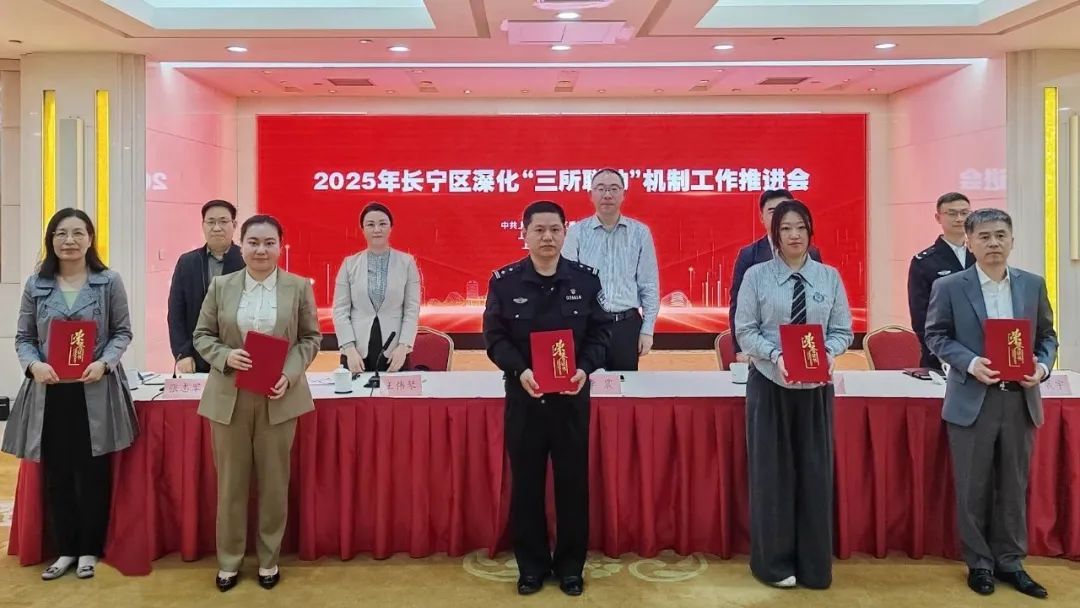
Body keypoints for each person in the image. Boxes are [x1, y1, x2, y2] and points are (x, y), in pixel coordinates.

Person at [925, 208, 1057, 599]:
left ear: (1012, 240)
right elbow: (936, 335)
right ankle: (979, 563)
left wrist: (1041, 368)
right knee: (973, 487)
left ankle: (1011, 562)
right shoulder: (950, 286)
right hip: (973, 399)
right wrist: (969, 363)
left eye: (1000, 235)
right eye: (984, 236)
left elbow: (1047, 337)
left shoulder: (1032, 285)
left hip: (1019, 400)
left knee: (1014, 486)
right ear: (969, 242)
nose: (993, 243)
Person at [483, 200, 612, 596]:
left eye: (555, 229)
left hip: (571, 400)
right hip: (525, 399)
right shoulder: (504, 283)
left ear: (565, 232)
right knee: (526, 486)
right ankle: (532, 567)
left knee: (573, 486)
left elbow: (601, 334)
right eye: (539, 230)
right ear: (524, 234)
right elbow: (495, 338)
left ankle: (571, 568)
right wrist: (519, 370)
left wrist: (584, 369)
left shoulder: (585, 281)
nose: (547, 237)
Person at [2, 208, 138, 581]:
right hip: (49, 391)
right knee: (57, 473)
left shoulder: (108, 282)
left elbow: (122, 332)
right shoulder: (36, 284)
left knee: (93, 472)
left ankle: (90, 549)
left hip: (95, 389)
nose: (70, 241)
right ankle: (65, 549)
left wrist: (105, 363)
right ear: (51, 240)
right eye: (61, 233)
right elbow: (24, 338)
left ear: (90, 239)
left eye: (78, 233)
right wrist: (33, 365)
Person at [193, 214, 321, 592]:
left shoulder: (298, 287)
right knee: (231, 484)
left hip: (278, 396)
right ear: (242, 244)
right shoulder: (221, 286)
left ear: (280, 246)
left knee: (274, 483)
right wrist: (225, 356)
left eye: (269, 243)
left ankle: (269, 559)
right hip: (229, 397)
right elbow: (202, 335)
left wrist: (290, 374)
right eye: (253, 242)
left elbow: (310, 339)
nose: (261, 250)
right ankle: (229, 560)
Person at [734, 199, 853, 590]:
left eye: (801, 227)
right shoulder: (756, 276)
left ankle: (814, 565)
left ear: (811, 231)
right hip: (771, 384)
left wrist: (829, 353)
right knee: (772, 476)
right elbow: (745, 330)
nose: (794, 235)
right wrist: (776, 356)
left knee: (815, 474)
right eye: (785, 228)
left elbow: (843, 330)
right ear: (774, 234)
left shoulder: (829, 277)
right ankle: (772, 564)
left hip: (816, 390)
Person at [562, 168, 658, 371]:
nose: (607, 195)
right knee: (586, 383)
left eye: (614, 189)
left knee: (625, 386)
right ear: (591, 194)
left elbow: (649, 284)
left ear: (623, 194)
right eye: (601, 188)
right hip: (588, 325)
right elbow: (567, 282)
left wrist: (647, 330)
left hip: (626, 326)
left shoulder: (640, 233)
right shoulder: (576, 232)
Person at [730, 189, 822, 361]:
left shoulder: (812, 254)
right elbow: (737, 304)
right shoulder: (749, 255)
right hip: (762, 346)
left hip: (804, 345)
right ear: (762, 218)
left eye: (784, 209)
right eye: (773, 211)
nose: (780, 216)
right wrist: (740, 348)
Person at [332, 202, 421, 373]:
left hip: (395, 351)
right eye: (370, 225)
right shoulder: (349, 264)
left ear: (391, 228)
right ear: (362, 229)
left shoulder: (407, 262)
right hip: (356, 352)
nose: (377, 229)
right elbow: (340, 310)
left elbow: (412, 309)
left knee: (395, 391)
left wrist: (404, 346)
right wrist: (349, 349)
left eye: (382, 224)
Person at [168, 200, 245, 374]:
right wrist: (182, 353)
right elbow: (176, 312)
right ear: (203, 225)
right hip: (197, 356)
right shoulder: (187, 262)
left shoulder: (246, 261)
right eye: (211, 222)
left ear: (234, 225)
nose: (217, 228)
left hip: (238, 355)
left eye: (223, 221)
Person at [907, 192, 976, 370]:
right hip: (940, 354)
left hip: (979, 351)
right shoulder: (924, 261)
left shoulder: (981, 256)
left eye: (964, 213)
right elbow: (920, 314)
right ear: (938, 218)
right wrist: (937, 351)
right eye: (952, 213)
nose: (959, 219)